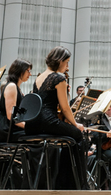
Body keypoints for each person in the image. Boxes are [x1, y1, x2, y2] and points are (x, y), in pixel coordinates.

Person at [26, 47, 87, 189]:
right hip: (48, 122)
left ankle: (62, 182)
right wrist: (75, 124)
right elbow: (65, 108)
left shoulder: (39, 77)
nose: (67, 66)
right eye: (67, 62)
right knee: (78, 135)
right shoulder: (59, 78)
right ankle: (71, 184)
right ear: (60, 61)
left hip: (33, 123)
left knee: (70, 137)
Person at [0, 58, 31, 143]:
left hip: (12, 129)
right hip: (9, 131)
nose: (30, 74)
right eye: (28, 71)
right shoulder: (12, 86)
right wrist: (28, 127)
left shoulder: (16, 87)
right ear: (20, 71)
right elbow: (11, 116)